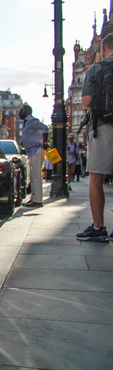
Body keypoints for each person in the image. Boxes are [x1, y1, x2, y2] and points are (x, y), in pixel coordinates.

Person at [77, 33, 113, 242]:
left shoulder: (97, 68)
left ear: (103, 49)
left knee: (96, 178)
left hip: (103, 126)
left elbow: (87, 101)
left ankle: (98, 227)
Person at [19, 104, 49, 208]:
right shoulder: (27, 122)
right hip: (32, 151)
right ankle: (33, 198)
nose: (19, 113)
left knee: (36, 176)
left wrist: (45, 143)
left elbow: (45, 128)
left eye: (21, 111)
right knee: (33, 176)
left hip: (36, 150)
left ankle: (38, 200)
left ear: (27, 112)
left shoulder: (32, 120)